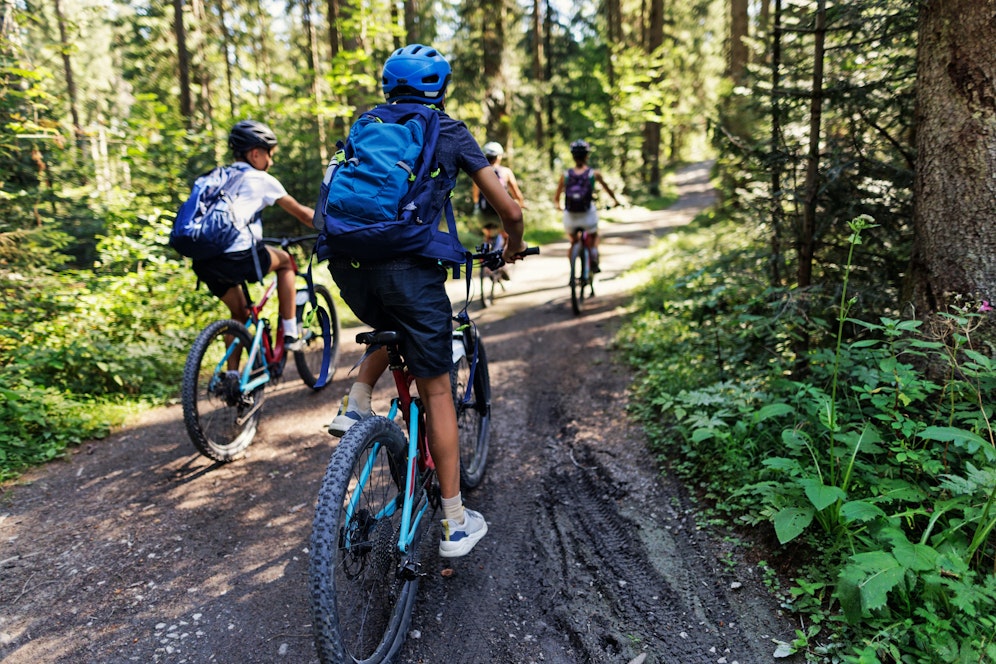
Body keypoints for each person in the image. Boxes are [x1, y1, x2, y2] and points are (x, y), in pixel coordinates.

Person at [325, 44, 525, 558]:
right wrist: (512, 248)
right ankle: (455, 523)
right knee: (438, 389)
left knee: (392, 327)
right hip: (408, 271)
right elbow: (509, 211)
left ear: (389, 84)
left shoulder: (364, 123)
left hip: (348, 266)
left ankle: (355, 404)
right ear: (441, 87)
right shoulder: (450, 131)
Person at [191, 120, 316, 351]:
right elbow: (305, 216)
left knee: (238, 315)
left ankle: (230, 376)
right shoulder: (260, 179)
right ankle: (290, 333)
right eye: (270, 154)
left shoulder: (213, 177)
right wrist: (339, 227)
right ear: (256, 153)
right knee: (286, 262)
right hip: (238, 256)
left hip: (204, 260)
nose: (271, 161)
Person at [554, 139, 620, 273]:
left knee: (573, 242)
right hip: (588, 214)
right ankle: (594, 258)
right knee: (594, 237)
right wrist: (615, 201)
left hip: (570, 215)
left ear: (573, 156)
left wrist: (559, 206)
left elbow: (556, 197)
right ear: (587, 155)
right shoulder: (593, 174)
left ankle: (572, 269)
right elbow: (608, 190)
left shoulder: (565, 175)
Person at [471, 141, 525, 281]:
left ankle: (486, 260)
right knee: (506, 235)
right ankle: (503, 264)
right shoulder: (505, 172)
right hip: (500, 214)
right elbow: (516, 194)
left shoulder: (478, 173)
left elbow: (475, 197)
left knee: (488, 235)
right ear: (499, 157)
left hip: (483, 215)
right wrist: (521, 203)